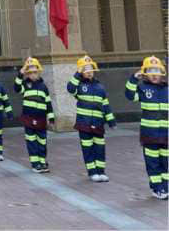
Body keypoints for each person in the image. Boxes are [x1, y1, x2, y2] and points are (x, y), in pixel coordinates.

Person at [67, 56, 116, 182]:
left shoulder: (100, 86)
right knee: (87, 148)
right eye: (85, 69)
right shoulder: (78, 85)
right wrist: (77, 74)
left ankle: (101, 171)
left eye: (90, 69)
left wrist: (111, 120)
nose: (89, 71)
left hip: (98, 123)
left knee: (100, 147)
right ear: (81, 71)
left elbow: (105, 105)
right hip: (84, 123)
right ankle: (92, 172)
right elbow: (70, 88)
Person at [125, 55, 168, 199]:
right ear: (145, 73)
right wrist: (134, 78)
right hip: (149, 135)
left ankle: (165, 187)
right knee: (153, 163)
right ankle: (157, 188)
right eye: (150, 71)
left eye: (157, 71)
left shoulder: (167, 90)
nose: (154, 75)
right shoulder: (143, 89)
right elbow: (129, 95)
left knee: (166, 162)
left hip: (166, 135)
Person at [14, 57, 55, 173]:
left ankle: (42, 161)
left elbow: (48, 103)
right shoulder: (25, 85)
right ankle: (35, 163)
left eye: (35, 72)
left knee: (42, 141)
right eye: (30, 73)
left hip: (41, 119)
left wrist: (51, 117)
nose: (32, 75)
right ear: (27, 73)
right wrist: (20, 74)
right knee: (31, 142)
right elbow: (16, 88)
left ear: (39, 72)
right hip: (28, 119)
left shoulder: (43, 87)